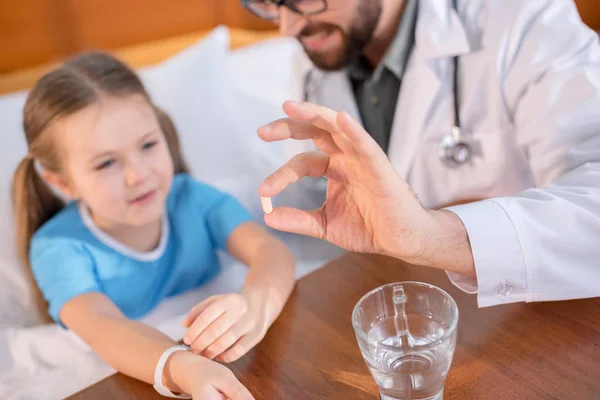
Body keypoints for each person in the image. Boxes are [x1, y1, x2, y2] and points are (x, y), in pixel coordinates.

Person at [244, 0, 600, 306]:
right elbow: (319, 203)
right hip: (400, 308)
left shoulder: (523, 20)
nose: (286, 27)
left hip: (534, 316)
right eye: (269, 2)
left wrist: (430, 236)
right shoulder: (317, 58)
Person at [13, 52, 296, 399]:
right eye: (106, 164)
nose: (139, 175)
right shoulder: (58, 247)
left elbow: (270, 251)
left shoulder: (194, 199)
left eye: (148, 145)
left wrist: (257, 302)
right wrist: (182, 366)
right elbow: (103, 326)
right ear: (62, 183)